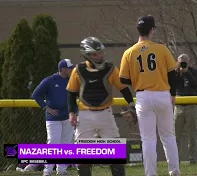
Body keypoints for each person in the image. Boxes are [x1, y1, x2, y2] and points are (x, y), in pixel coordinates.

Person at [119, 15, 180, 176]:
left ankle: (151, 174)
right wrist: (173, 94)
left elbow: (123, 79)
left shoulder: (129, 52)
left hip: (143, 97)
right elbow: (172, 74)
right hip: (162, 95)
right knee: (168, 137)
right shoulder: (162, 48)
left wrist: (140, 78)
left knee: (148, 140)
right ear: (152, 30)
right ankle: (174, 172)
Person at [66, 37, 135, 176]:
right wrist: (71, 113)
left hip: (105, 114)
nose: (99, 56)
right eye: (95, 54)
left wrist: (131, 106)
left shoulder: (110, 68)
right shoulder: (78, 70)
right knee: (83, 154)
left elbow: (124, 89)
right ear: (87, 54)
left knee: (115, 152)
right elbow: (71, 93)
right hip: (85, 115)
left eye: (100, 53)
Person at [32, 59, 77, 176]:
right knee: (53, 142)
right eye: (69, 68)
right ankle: (47, 170)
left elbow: (74, 98)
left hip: (67, 117)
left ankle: (61, 170)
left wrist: (75, 113)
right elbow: (36, 94)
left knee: (66, 143)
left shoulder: (71, 81)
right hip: (53, 119)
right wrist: (46, 108)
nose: (71, 70)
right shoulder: (49, 81)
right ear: (62, 69)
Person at [174, 54, 197, 164]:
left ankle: (193, 159)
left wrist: (187, 72)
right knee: (176, 135)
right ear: (177, 62)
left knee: (192, 135)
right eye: (181, 62)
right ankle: (175, 159)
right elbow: (171, 85)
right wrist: (178, 72)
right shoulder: (175, 73)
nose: (183, 64)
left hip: (191, 106)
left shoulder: (194, 71)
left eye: (185, 61)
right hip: (179, 107)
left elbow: (196, 84)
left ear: (188, 62)